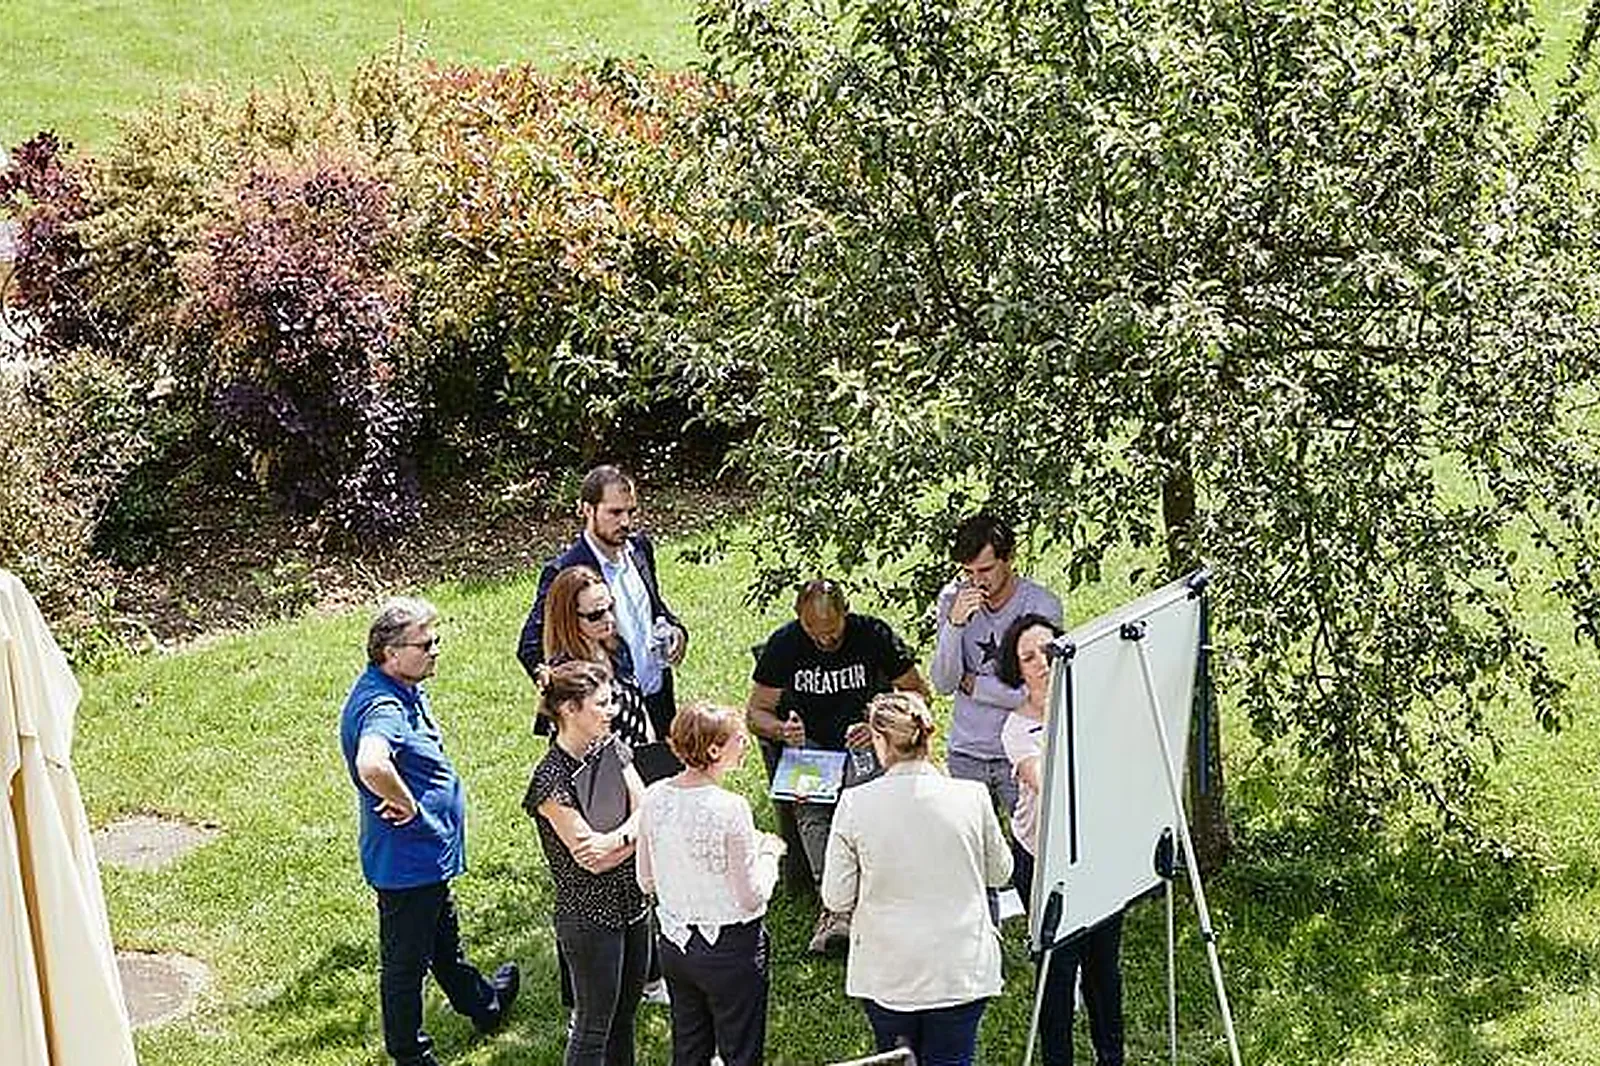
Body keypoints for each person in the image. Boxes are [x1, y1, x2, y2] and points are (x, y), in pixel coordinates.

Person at [338, 597, 519, 1066]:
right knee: (405, 966)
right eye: (425, 643)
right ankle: (410, 1055)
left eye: (436, 639)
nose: (436, 649)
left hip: (425, 856)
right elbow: (372, 763)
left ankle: (484, 1004)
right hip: (408, 862)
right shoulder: (382, 705)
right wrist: (405, 801)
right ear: (389, 653)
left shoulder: (402, 688)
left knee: (443, 943)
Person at [821, 692, 1012, 1066]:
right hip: (960, 967)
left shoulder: (855, 803)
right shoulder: (972, 796)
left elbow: (837, 895)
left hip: (889, 972)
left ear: (879, 740)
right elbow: (1000, 872)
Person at [746, 578, 929, 954]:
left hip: (863, 740)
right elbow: (755, 714)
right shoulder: (785, 644)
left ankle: (877, 895)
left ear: (846, 614)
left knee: (869, 807)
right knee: (813, 814)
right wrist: (783, 730)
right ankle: (835, 908)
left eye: (833, 631)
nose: (826, 640)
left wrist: (879, 721)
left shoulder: (872, 635)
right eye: (816, 633)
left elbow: (917, 693)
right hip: (810, 748)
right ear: (800, 620)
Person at [999, 613, 1125, 1066]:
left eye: (1048, 651)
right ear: (1017, 670)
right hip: (1043, 855)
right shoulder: (1017, 728)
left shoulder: (1093, 705)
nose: (1041, 663)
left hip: (1098, 850)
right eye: (1028, 657)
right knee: (1057, 967)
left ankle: (1111, 1056)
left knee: (1103, 967)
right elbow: (1044, 783)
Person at [636, 703, 785, 1066]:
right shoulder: (730, 808)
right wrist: (769, 857)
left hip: (675, 944)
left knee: (689, 1050)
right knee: (741, 1051)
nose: (745, 744)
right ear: (714, 750)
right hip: (730, 949)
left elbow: (646, 879)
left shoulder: (654, 795)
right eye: (738, 739)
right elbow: (750, 899)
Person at [525, 659, 650, 1066]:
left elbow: (645, 807)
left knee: (625, 1017)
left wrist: (620, 838)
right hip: (589, 918)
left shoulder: (612, 747)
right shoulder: (550, 780)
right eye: (601, 704)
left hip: (633, 904)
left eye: (610, 701)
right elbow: (591, 859)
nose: (612, 711)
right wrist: (638, 832)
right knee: (594, 1024)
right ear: (568, 710)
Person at [518, 465, 688, 741]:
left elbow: (653, 607)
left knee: (662, 779)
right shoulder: (567, 570)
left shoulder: (640, 549)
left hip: (655, 699)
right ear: (587, 510)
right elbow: (530, 647)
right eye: (615, 512)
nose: (625, 522)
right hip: (604, 716)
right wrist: (575, 699)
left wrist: (676, 630)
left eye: (631, 512)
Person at [930, 512, 1062, 818]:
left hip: (1022, 752)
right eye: (968, 572)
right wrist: (954, 624)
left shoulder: (1041, 606)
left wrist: (976, 685)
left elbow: (1040, 693)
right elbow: (944, 682)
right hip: (966, 752)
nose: (977, 581)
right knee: (970, 855)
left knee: (1031, 853)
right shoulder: (953, 599)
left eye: (985, 570)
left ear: (1009, 559)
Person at [543, 564, 656, 755]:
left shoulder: (616, 647)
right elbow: (576, 747)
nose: (609, 619)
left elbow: (639, 705)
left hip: (640, 759)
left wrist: (652, 752)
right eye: (595, 615)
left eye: (610, 607)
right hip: (601, 773)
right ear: (568, 619)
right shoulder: (566, 673)